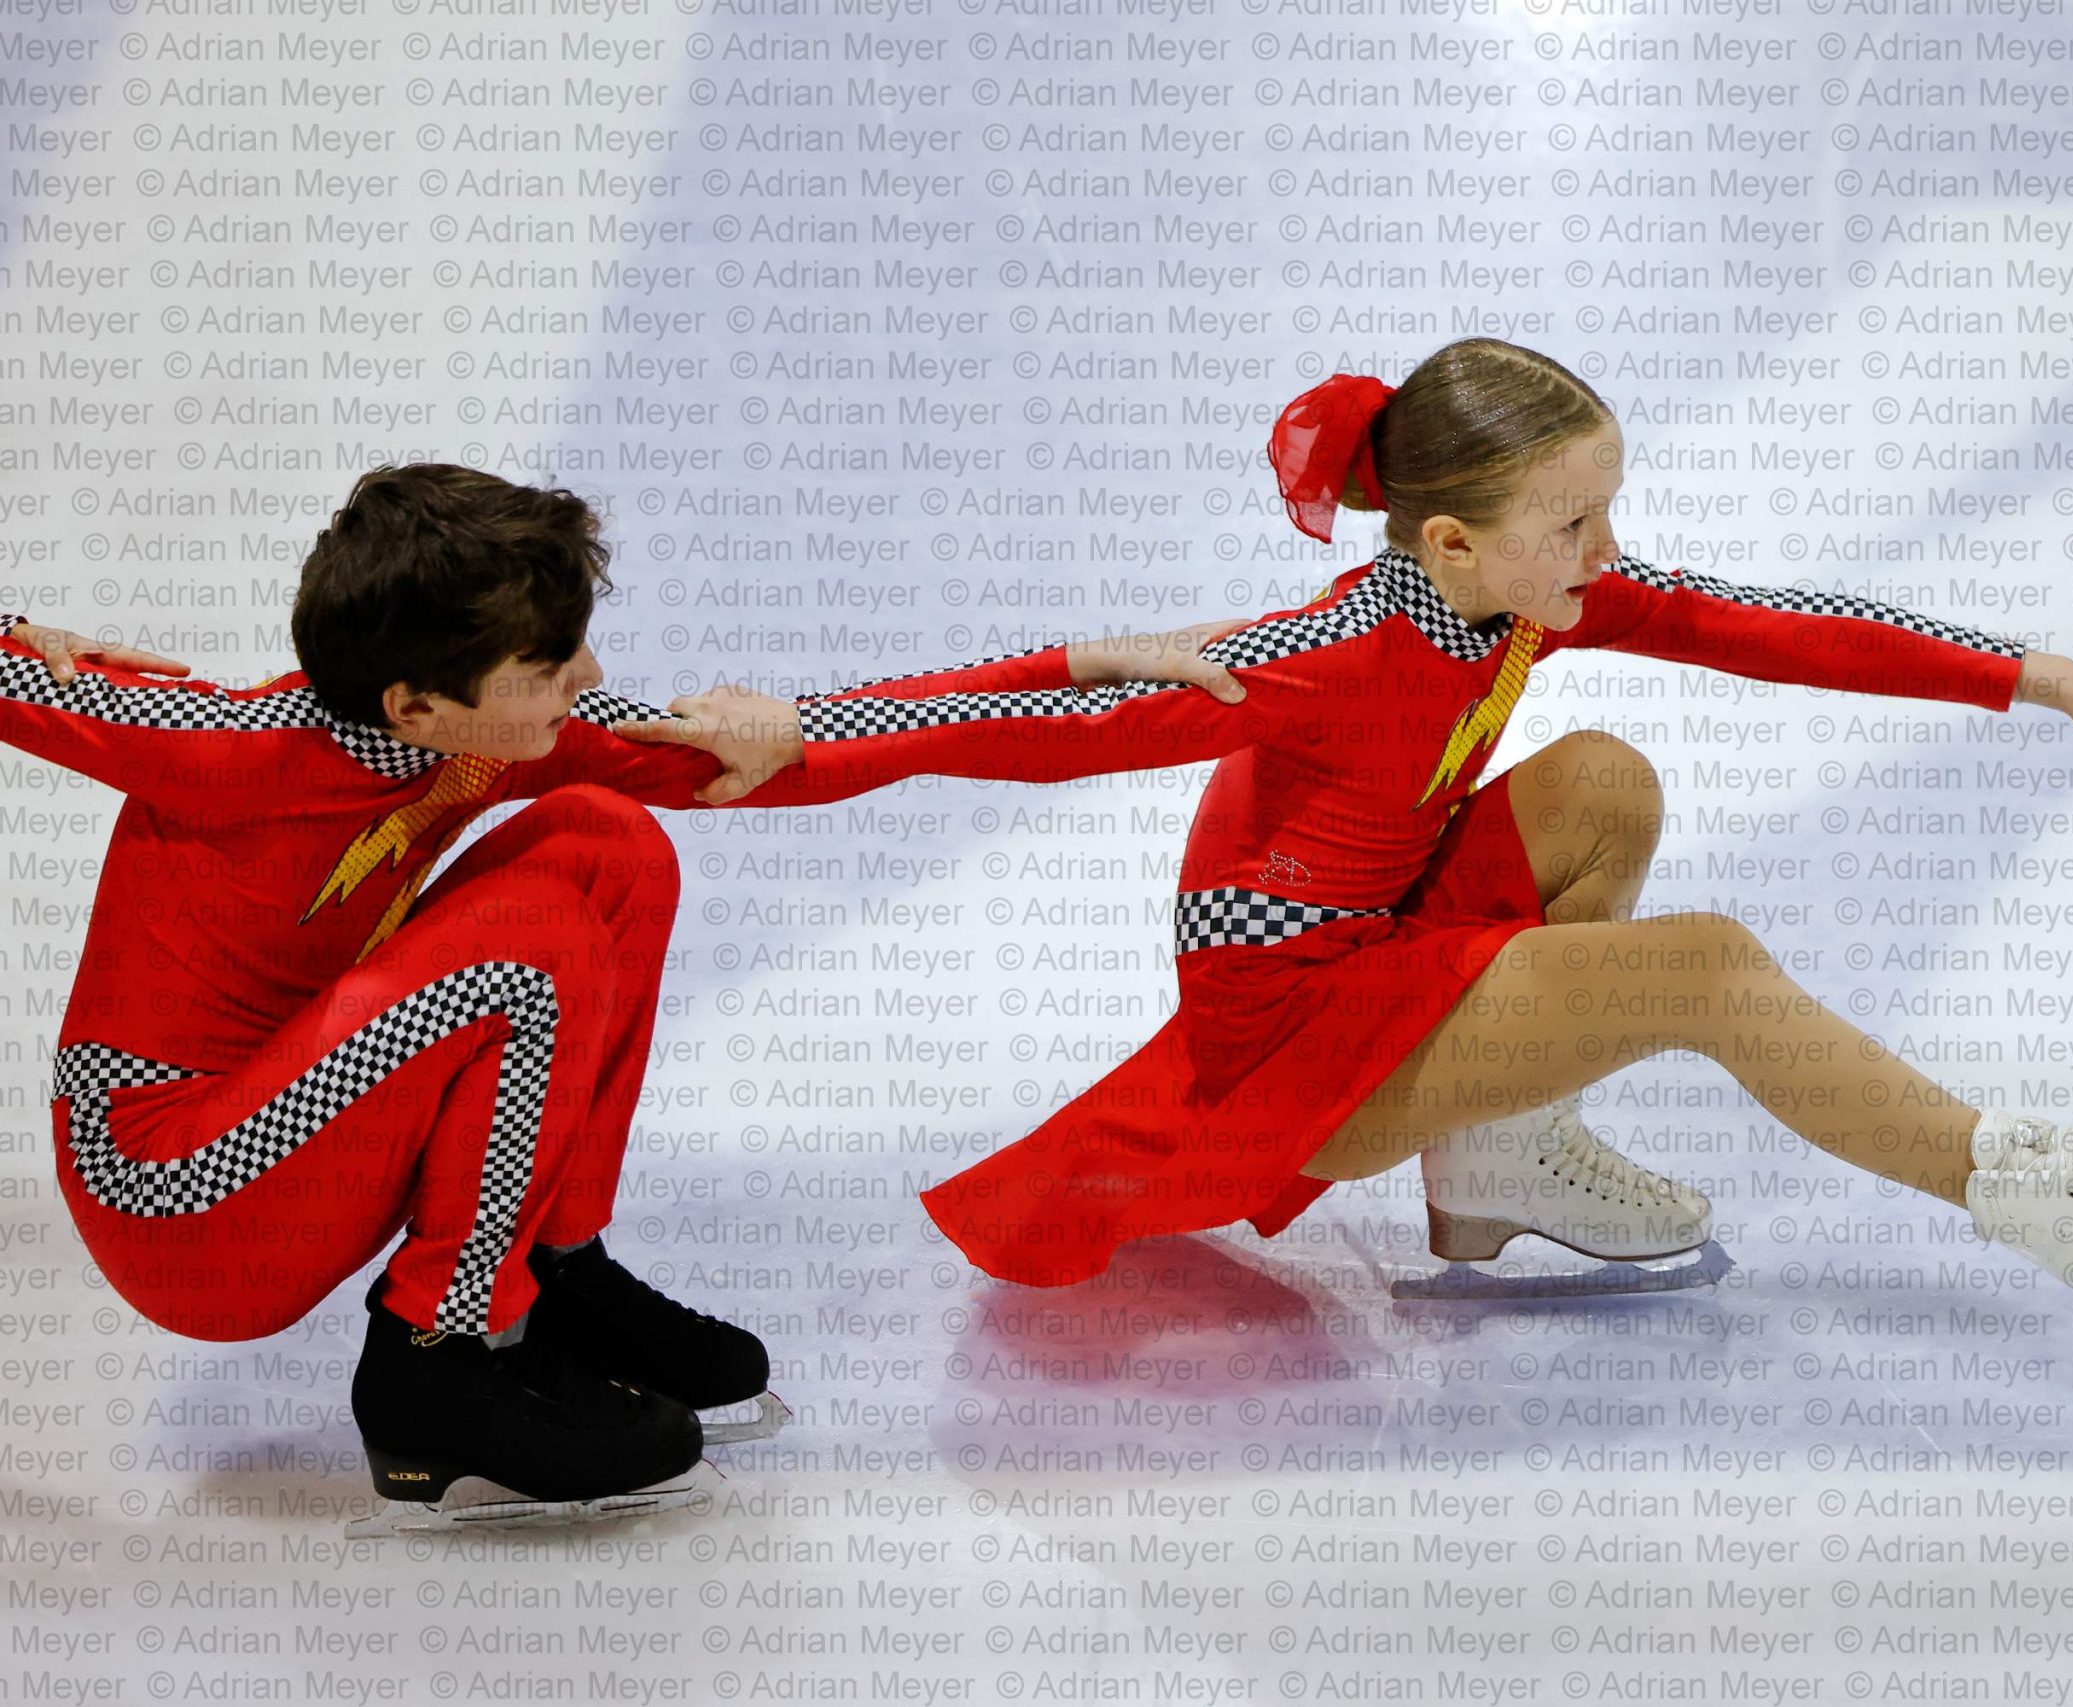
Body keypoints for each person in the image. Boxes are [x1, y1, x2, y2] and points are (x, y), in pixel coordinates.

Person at [636, 337, 2073, 1345]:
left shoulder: (1518, 595)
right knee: (1703, 968)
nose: (1611, 550)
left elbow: (1772, 621)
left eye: (1608, 507)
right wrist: (800, 724)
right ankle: (2042, 1194)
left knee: (1603, 781)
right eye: (1578, 521)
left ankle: (1493, 1165)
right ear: (1450, 540)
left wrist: (2053, 679)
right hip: (1289, 1046)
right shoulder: (1329, 655)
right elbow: (1034, 723)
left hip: (1378, 942)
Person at [0, 462, 1246, 1528]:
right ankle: (438, 1359)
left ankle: (546, 1272)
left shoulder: (489, 730)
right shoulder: (220, 744)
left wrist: (1082, 664)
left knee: (607, 845)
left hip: (304, 1103)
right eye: (550, 664)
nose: (587, 676)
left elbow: (809, 746)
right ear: (415, 705)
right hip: (172, 1191)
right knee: (528, 939)